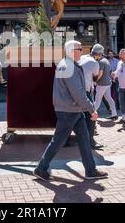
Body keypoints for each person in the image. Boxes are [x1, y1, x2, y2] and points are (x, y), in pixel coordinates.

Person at [33, 41, 108, 181]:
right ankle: (41, 168)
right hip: (69, 110)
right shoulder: (69, 67)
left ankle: (91, 171)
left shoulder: (65, 64)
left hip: (72, 109)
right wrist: (92, 110)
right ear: (73, 51)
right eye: (80, 49)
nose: (82, 51)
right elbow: (78, 93)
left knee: (84, 139)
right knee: (58, 141)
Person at [66, 45, 104, 150]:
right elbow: (95, 78)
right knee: (91, 117)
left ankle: (66, 140)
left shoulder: (81, 58)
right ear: (99, 55)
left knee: (71, 116)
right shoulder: (94, 63)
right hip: (84, 92)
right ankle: (90, 141)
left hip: (73, 91)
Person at [93, 44, 118, 121]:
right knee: (109, 99)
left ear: (99, 54)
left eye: (95, 55)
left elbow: (100, 73)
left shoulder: (101, 62)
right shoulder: (106, 60)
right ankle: (114, 114)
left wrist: (95, 81)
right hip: (107, 83)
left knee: (97, 100)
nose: (94, 56)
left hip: (102, 84)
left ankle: (90, 114)